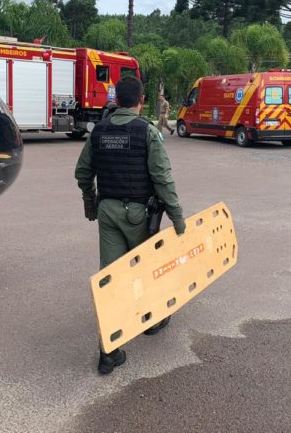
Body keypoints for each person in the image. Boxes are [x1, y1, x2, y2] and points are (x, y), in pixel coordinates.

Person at [75, 76, 186, 375]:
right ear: (141, 100)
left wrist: (91, 203)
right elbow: (162, 178)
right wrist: (177, 218)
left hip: (108, 211)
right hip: (139, 214)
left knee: (111, 277)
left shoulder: (99, 131)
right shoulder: (147, 132)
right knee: (149, 268)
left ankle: (108, 352)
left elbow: (82, 172)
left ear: (117, 100)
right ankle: (153, 321)